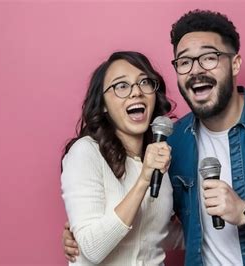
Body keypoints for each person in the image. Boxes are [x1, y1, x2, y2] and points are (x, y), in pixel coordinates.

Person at [63, 10, 245, 266]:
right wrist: (85, 231)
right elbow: (171, 225)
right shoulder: (172, 144)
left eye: (209, 57)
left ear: (235, 64)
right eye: (184, 62)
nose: (196, 70)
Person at [61, 51, 176, 265]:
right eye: (121, 86)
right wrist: (143, 180)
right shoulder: (85, 153)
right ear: (103, 104)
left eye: (144, 82)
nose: (136, 92)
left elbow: (157, 234)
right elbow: (92, 249)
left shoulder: (161, 160)